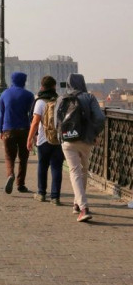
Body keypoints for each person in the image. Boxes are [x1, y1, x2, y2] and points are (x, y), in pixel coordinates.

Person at [56, 73, 105, 222]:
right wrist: (94, 133)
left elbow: (55, 122)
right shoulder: (89, 97)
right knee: (83, 170)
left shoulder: (61, 98)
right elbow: (100, 118)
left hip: (68, 140)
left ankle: (80, 205)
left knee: (75, 171)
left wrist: (62, 137)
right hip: (85, 140)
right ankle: (82, 206)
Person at [26, 76, 64, 205]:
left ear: (42, 86)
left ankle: (41, 193)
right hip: (58, 140)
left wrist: (30, 138)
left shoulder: (40, 102)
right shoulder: (59, 101)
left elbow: (35, 122)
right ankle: (55, 197)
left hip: (43, 139)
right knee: (56, 168)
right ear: (54, 87)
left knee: (42, 166)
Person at [0, 72, 35, 194]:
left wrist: (0, 130)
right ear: (24, 81)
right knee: (23, 158)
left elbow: (1, 114)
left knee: (9, 156)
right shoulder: (28, 95)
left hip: (8, 129)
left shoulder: (4, 94)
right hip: (24, 130)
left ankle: (10, 174)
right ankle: (21, 184)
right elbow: (32, 115)